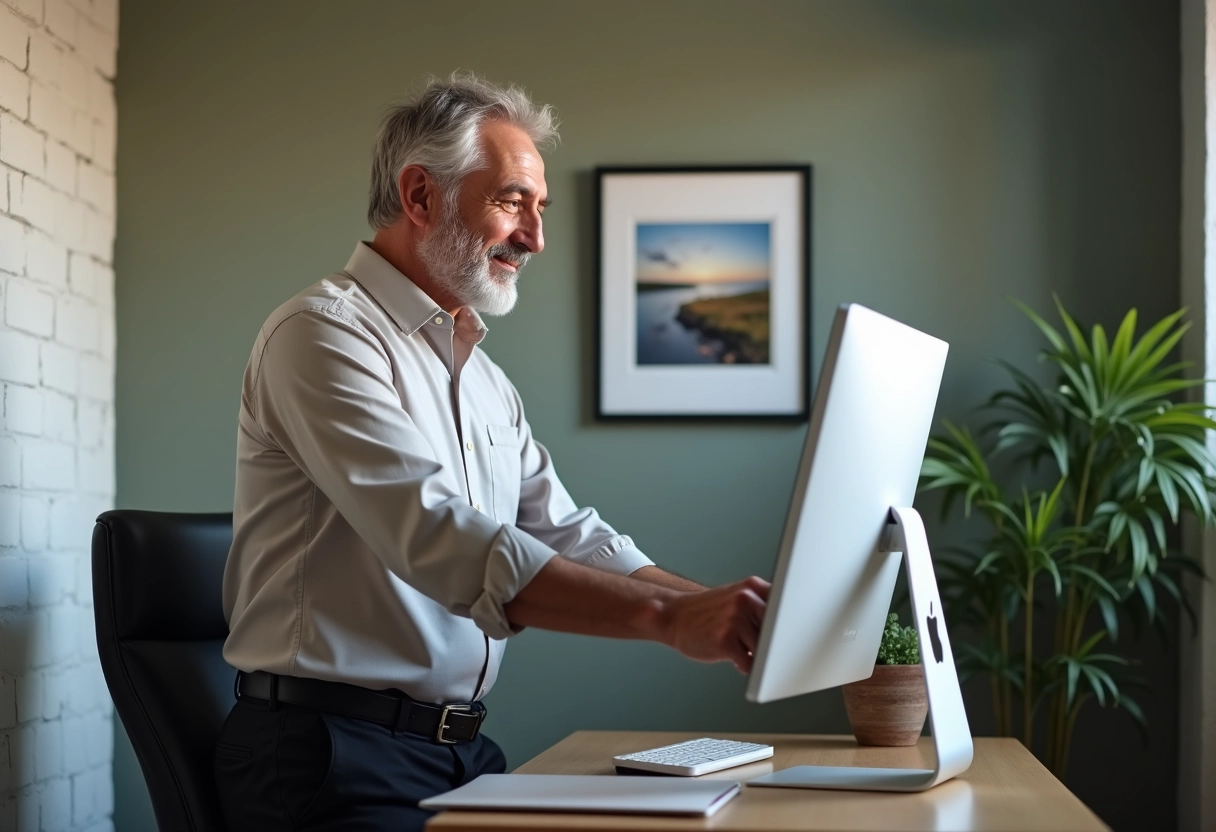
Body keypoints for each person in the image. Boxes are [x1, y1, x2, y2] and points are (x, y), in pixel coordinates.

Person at [214, 73, 770, 832]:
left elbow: (568, 531)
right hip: (325, 759)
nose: (535, 238)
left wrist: (723, 609)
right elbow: (438, 538)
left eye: (539, 210)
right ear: (421, 197)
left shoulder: (483, 376)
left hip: (459, 752)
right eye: (513, 201)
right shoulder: (320, 335)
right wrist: (668, 620)